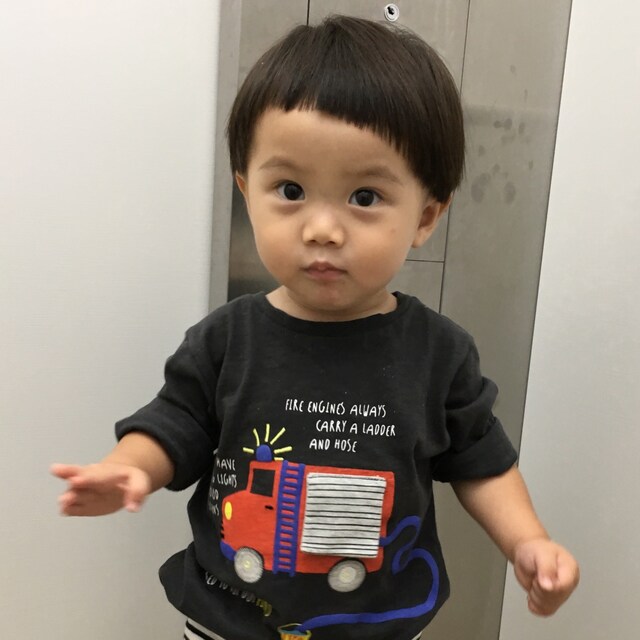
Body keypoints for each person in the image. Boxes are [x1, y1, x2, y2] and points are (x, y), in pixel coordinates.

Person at [51, 15, 579, 640]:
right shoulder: (226, 340)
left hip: (380, 625)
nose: (322, 229)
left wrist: (527, 541)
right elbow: (173, 424)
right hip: (227, 621)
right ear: (247, 192)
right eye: (291, 189)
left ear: (425, 216)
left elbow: (482, 463)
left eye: (364, 197)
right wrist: (130, 468)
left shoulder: (439, 353)